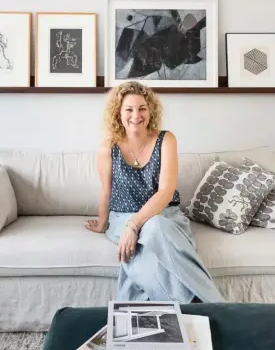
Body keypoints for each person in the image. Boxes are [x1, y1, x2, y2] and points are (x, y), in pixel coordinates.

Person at [85, 81, 225, 303]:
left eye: (142, 108)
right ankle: (212, 307)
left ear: (150, 111)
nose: (136, 115)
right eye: (128, 109)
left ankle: (142, 317)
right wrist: (103, 224)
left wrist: (134, 225)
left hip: (164, 216)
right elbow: (106, 191)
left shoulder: (166, 139)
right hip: (122, 218)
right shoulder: (108, 147)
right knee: (148, 243)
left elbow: (166, 192)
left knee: (155, 226)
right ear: (118, 113)